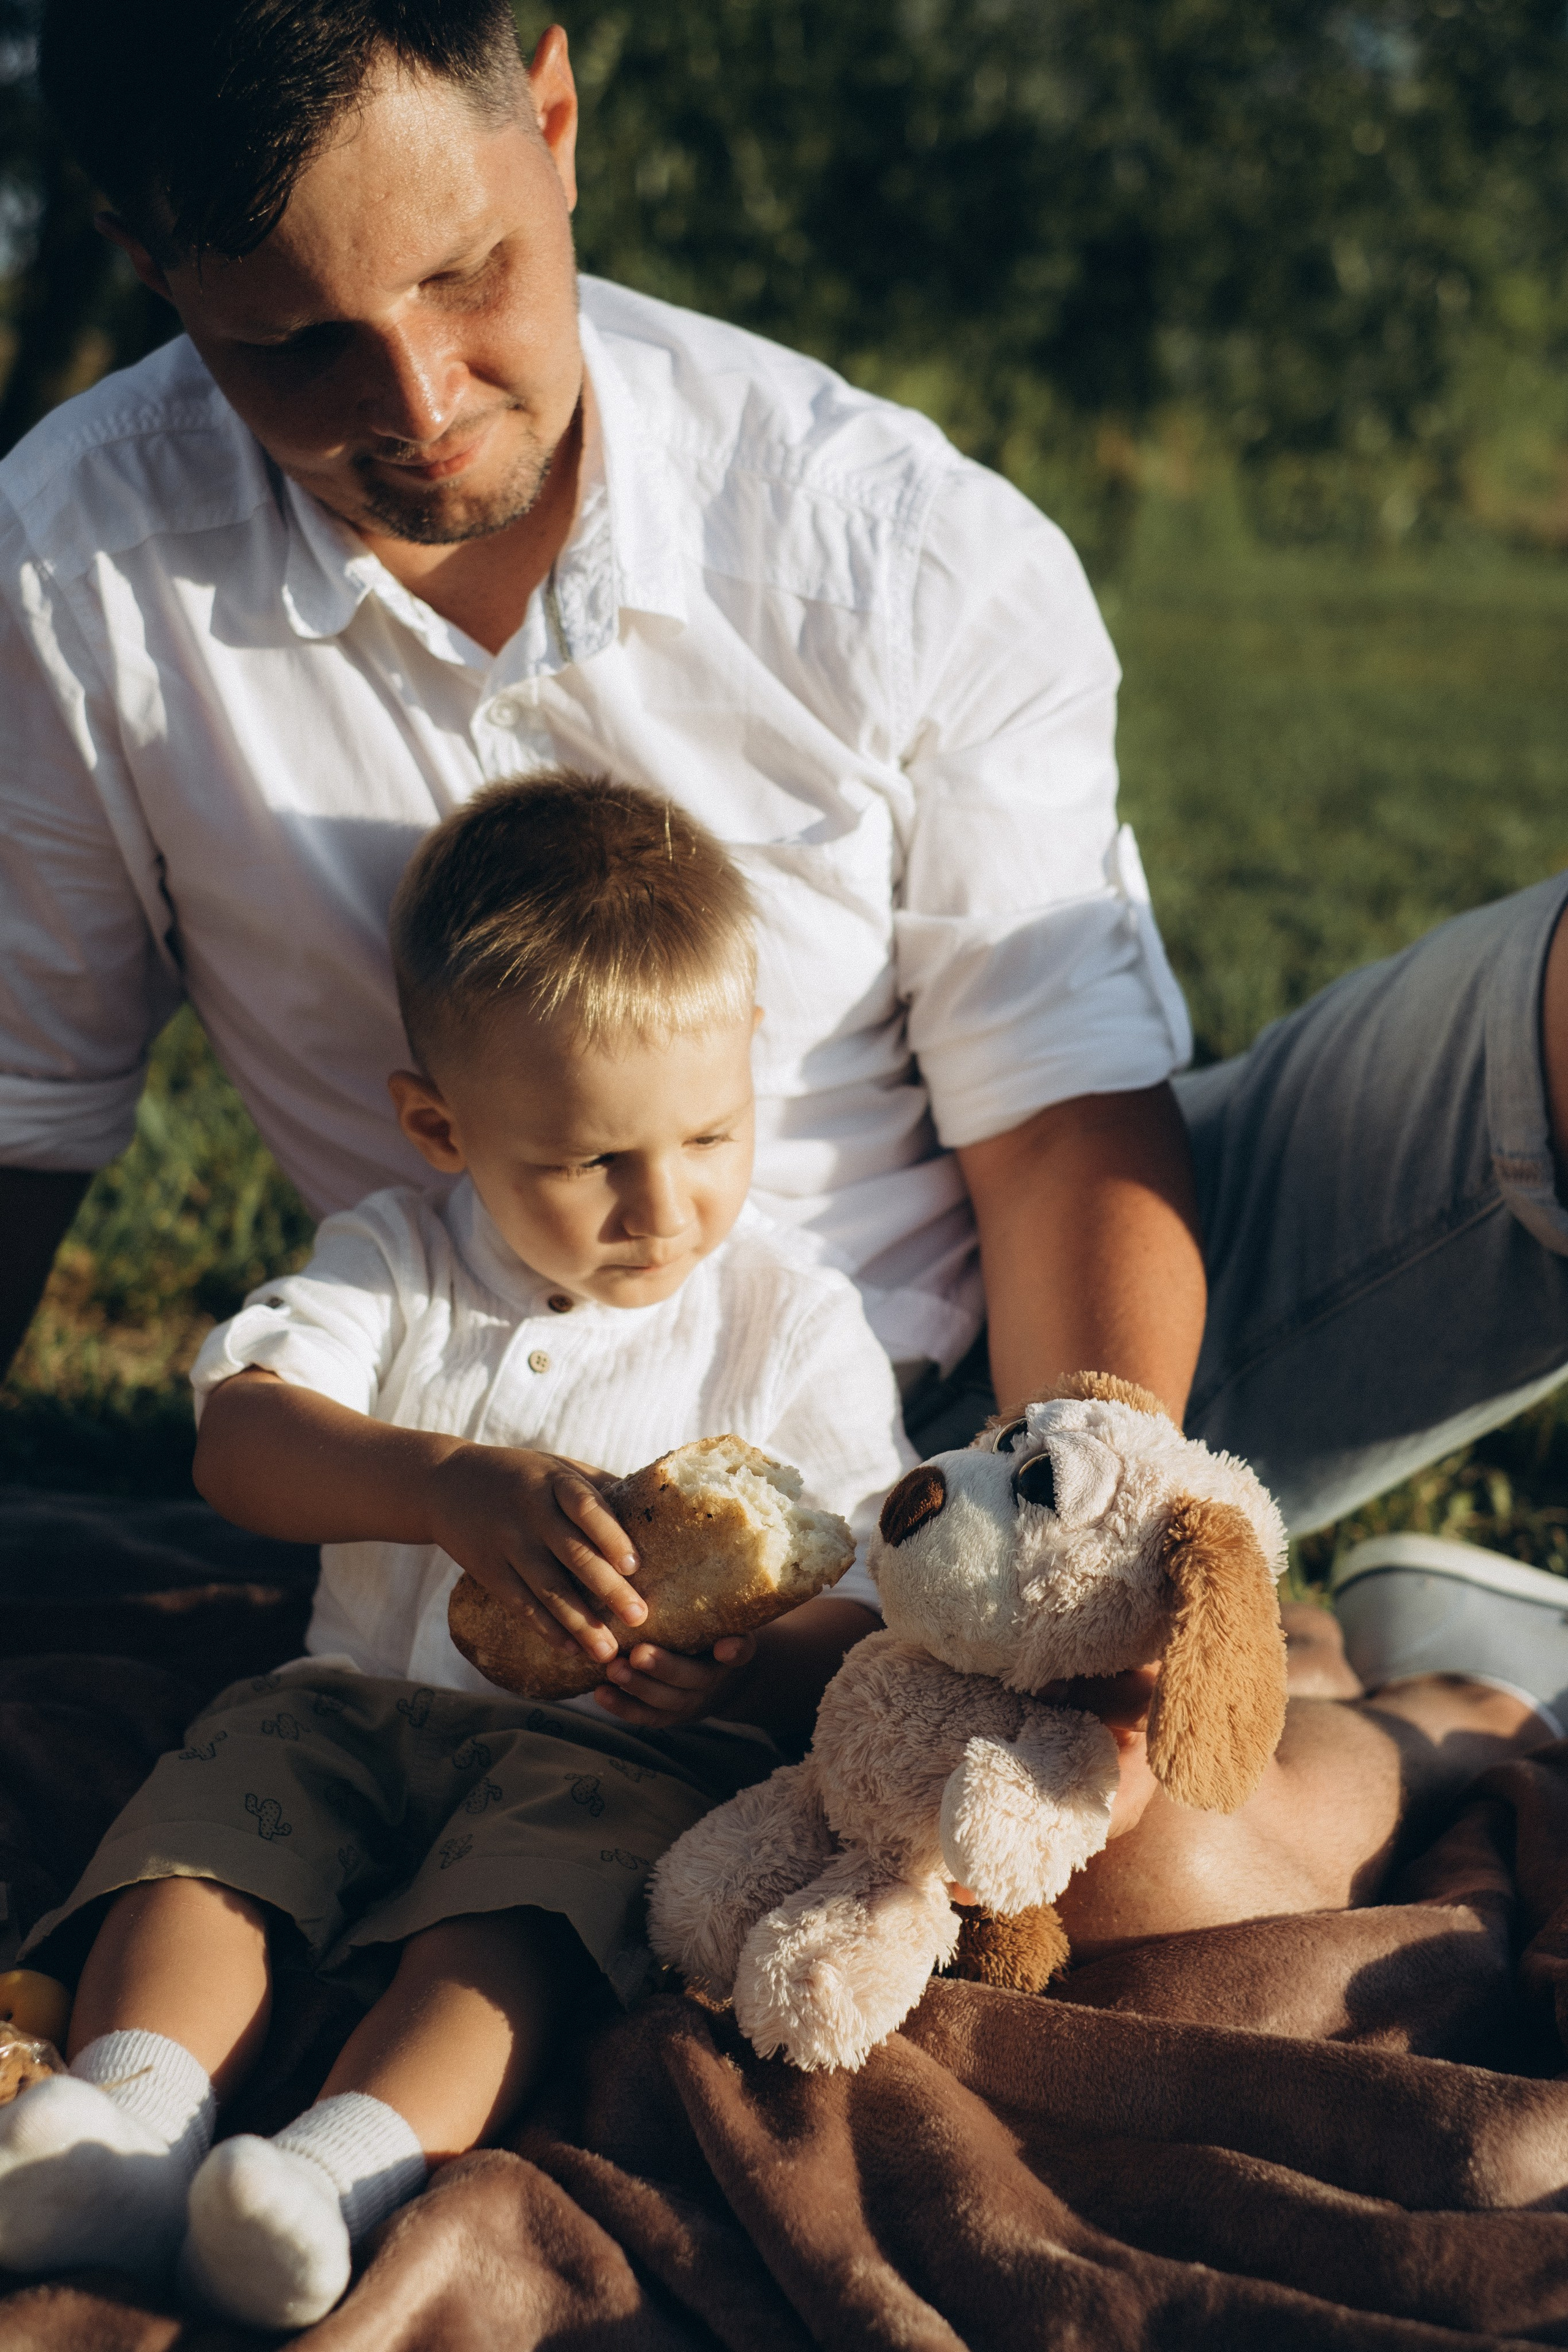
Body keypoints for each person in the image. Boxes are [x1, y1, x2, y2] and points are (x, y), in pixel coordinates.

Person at [2, 0, 1567, 2165]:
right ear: (143, 257)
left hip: (1060, 1346)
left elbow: (1065, 1129)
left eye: (465, 278)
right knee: (1140, 1878)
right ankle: (1421, 1704)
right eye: (292, 351)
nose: (421, 409)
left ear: (551, 112)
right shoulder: (72, 576)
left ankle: (1309, 1654)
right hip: (574, 1441)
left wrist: (1070, 1549)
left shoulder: (880, 535)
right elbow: (19, 1126)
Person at [0, 773, 911, 2330]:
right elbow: (242, 1437)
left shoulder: (788, 1319)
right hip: (344, 1699)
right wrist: (438, 1487)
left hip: (599, 1757)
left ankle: (333, 2172)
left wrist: (740, 1665)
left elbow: (863, 1605)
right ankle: (137, 2117)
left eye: (708, 1133)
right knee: (214, 1835)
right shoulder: (398, 1257)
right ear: (442, 1124)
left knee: (523, 1927)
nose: (662, 1204)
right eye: (584, 1163)